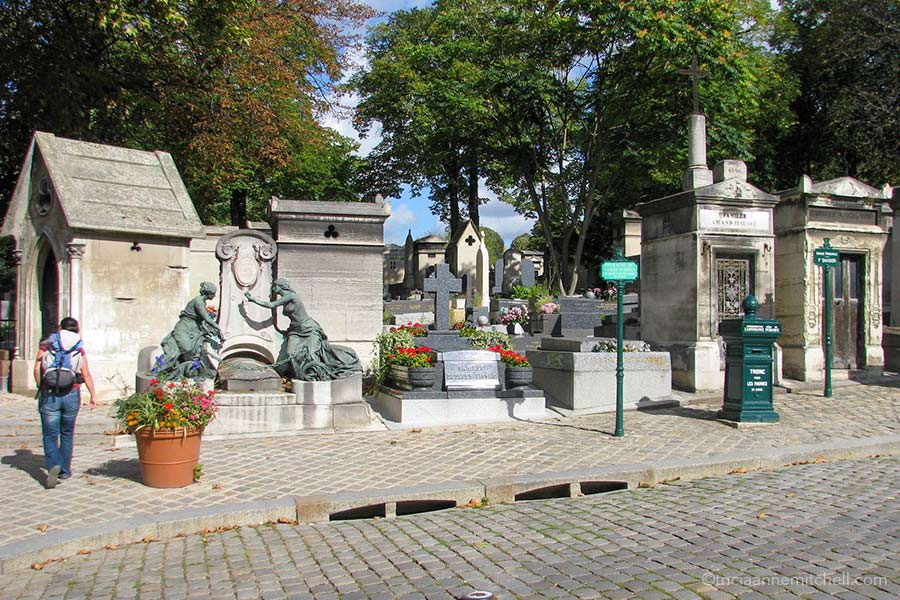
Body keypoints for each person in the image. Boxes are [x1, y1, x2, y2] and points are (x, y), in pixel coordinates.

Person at [244, 278, 361, 381]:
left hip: (308, 328)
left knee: (311, 353)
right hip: (295, 330)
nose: (273, 288)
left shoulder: (292, 296)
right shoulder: (285, 298)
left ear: (281, 286)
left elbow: (271, 305)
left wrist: (253, 299)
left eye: (275, 286)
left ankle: (317, 375)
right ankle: (301, 374)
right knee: (290, 353)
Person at [34, 317, 97, 489]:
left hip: (49, 393)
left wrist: (40, 385)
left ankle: (54, 464)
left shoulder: (48, 344)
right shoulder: (78, 346)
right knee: (67, 432)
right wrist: (93, 395)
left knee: (49, 434)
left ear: (60, 328)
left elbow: (37, 366)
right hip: (72, 393)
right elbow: (85, 373)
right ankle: (65, 470)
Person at [158, 281, 222, 378]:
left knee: (194, 351)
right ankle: (172, 370)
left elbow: (201, 321)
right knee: (186, 349)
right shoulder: (198, 301)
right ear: (208, 293)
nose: (215, 295)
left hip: (193, 329)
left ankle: (190, 371)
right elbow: (207, 318)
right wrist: (219, 329)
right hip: (184, 327)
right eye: (214, 293)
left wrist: (207, 330)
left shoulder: (202, 302)